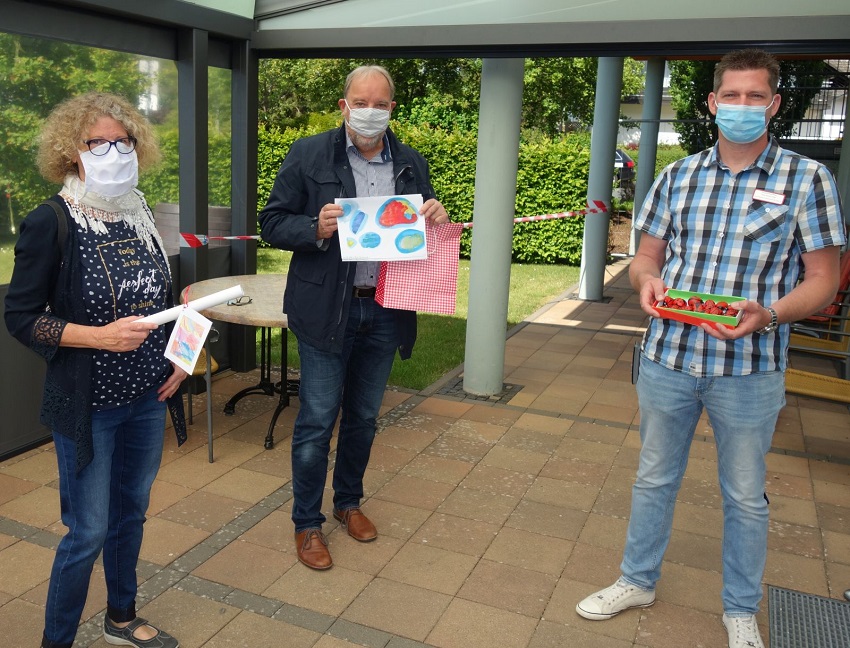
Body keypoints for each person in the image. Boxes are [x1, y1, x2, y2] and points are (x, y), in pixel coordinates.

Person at [575, 49, 846, 648]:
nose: (742, 107)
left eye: (755, 97)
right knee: (652, 479)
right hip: (668, 357)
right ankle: (636, 579)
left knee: (746, 496)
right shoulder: (678, 175)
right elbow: (645, 257)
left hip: (749, 370)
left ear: (774, 104)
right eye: (732, 96)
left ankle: (741, 609)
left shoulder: (808, 180)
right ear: (712, 102)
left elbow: (824, 279)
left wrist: (769, 314)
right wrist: (646, 283)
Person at [4, 92, 187, 648]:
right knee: (87, 532)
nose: (114, 152)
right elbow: (21, 317)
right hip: (88, 406)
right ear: (72, 152)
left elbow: (164, 298)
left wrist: (179, 358)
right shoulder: (52, 220)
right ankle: (56, 640)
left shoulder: (142, 214)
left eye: (123, 141)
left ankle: (121, 618)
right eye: (98, 142)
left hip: (147, 397)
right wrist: (98, 337)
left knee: (131, 514)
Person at [258, 65, 448, 570]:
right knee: (318, 420)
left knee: (363, 417)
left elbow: (420, 236)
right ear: (343, 105)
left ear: (392, 108)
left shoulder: (410, 162)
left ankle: (347, 503)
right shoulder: (308, 153)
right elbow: (271, 223)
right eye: (361, 101)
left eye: (381, 103)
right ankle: (306, 524)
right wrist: (312, 226)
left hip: (385, 307)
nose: (370, 111)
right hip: (325, 310)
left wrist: (437, 219)